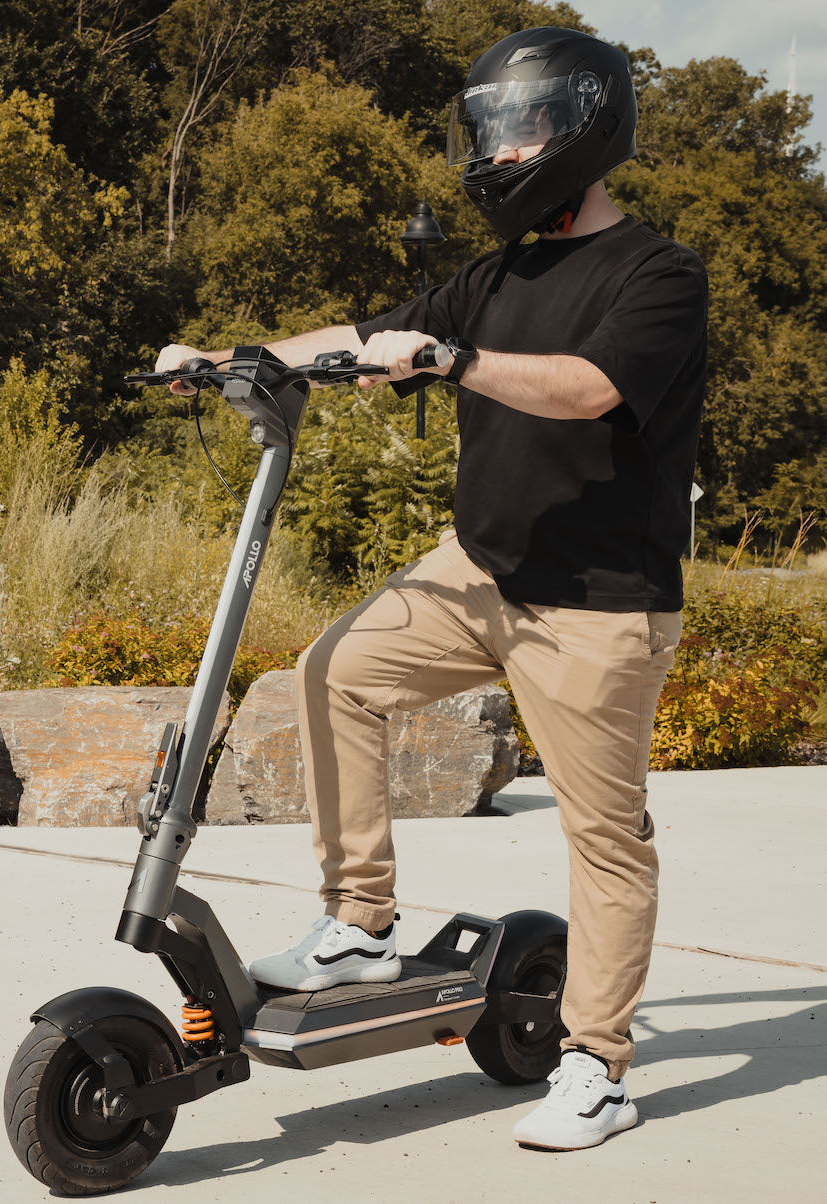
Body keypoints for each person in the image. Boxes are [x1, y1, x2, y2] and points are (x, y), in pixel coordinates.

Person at [155, 26, 708, 1151]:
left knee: (604, 837)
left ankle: (597, 1062)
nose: (502, 148)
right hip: (476, 571)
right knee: (330, 676)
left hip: (597, 603)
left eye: (524, 125)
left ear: (586, 127)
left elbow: (586, 388)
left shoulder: (656, 273)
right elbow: (364, 337)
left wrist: (451, 362)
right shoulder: (493, 273)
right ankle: (359, 923)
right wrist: (233, 357)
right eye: (492, 128)